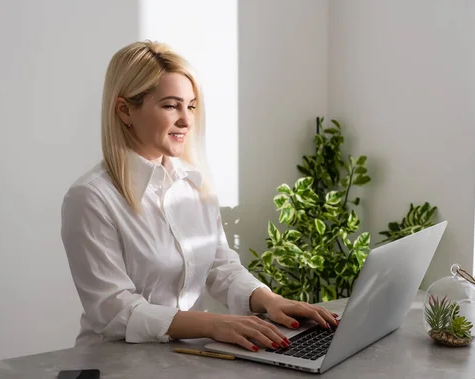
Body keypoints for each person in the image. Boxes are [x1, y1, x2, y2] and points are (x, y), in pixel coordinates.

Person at [60, 40, 338, 352]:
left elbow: (221, 267)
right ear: (125, 110)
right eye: (170, 105)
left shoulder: (193, 183)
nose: (187, 120)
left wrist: (270, 300)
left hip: (184, 358)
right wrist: (215, 324)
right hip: (116, 363)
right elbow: (114, 311)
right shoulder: (91, 198)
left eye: (191, 105)